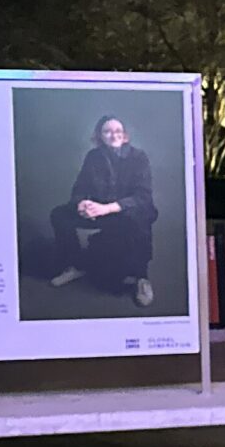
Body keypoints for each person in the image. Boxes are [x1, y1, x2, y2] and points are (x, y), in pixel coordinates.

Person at [50, 114, 159, 306]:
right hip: (99, 210)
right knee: (59, 215)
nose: (113, 135)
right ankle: (76, 265)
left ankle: (141, 278)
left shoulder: (138, 157)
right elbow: (80, 188)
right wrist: (82, 204)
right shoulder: (93, 157)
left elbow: (142, 197)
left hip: (127, 212)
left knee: (139, 219)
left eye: (117, 131)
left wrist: (106, 208)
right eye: (107, 131)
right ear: (100, 135)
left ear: (125, 135)